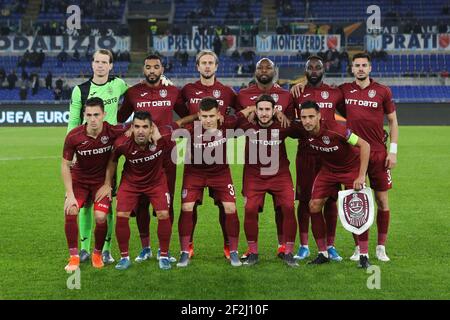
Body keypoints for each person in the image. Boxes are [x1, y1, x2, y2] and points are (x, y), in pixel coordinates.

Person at [99, 111, 194, 270]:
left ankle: (163, 255)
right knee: (122, 215)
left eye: (144, 127)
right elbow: (112, 161)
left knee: (164, 213)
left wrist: (198, 114)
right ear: (132, 128)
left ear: (152, 128)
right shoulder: (122, 143)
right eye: (136, 127)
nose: (140, 130)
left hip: (156, 182)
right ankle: (124, 257)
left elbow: (182, 122)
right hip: (131, 183)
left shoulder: (164, 134)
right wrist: (108, 183)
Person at [117, 54, 185, 263]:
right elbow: (120, 119)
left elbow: (185, 114)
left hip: (166, 155)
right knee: (141, 203)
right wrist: (129, 130)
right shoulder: (132, 92)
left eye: (156, 67)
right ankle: (146, 247)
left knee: (167, 203)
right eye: (148, 67)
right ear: (144, 69)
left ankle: (165, 250)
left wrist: (169, 131)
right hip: (141, 157)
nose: (152, 70)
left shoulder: (173, 91)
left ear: (162, 69)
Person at [67, 49, 128, 265]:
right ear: (91, 64)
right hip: (84, 152)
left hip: (109, 153)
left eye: (104, 62)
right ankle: (84, 248)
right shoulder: (80, 90)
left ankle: (106, 250)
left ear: (111, 65)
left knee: (106, 200)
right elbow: (73, 121)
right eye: (97, 61)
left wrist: (164, 81)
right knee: (84, 204)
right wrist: (72, 151)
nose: (100, 65)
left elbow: (137, 95)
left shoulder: (119, 84)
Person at [339, 52, 398, 262]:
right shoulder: (344, 90)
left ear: (370, 68)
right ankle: (358, 248)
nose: (361, 68)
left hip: (379, 154)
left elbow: (392, 121)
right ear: (352, 69)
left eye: (364, 65)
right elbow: (324, 104)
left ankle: (381, 247)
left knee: (382, 200)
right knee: (355, 202)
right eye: (357, 65)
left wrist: (393, 150)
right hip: (352, 155)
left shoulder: (382, 91)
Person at [298, 101, 372, 268]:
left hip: (350, 169)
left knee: (357, 210)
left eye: (311, 117)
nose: (307, 121)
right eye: (304, 117)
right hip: (328, 171)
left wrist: (361, 176)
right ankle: (322, 253)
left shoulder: (337, 129)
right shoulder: (303, 130)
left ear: (319, 116)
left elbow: (365, 145)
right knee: (314, 205)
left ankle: (364, 255)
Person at [180, 50, 238, 260]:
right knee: (189, 205)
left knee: (227, 206)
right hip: (193, 161)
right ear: (197, 66)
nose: (206, 66)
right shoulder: (187, 90)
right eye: (203, 63)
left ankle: (229, 245)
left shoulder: (227, 92)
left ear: (216, 66)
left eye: (210, 63)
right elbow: (181, 116)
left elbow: (239, 114)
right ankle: (187, 247)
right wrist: (192, 120)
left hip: (219, 162)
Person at [61, 97, 129, 271]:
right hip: (79, 182)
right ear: (84, 114)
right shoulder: (74, 136)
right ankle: (74, 256)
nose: (92, 119)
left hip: (101, 183)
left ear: (104, 115)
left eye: (96, 114)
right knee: (71, 210)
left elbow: (138, 125)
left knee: (100, 217)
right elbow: (65, 165)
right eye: (89, 114)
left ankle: (97, 254)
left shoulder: (113, 131)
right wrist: (69, 194)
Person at [237, 57, 294, 260]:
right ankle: (252, 251)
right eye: (260, 66)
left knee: (287, 207)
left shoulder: (286, 97)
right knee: (250, 208)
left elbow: (300, 124)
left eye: (268, 66)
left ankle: (286, 250)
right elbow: (231, 121)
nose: (263, 69)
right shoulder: (243, 95)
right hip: (253, 170)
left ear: (274, 70)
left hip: (279, 169)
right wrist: (248, 111)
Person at [176, 97, 243, 268]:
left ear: (218, 115)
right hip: (194, 173)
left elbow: (245, 112)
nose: (207, 120)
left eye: (211, 116)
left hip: (220, 173)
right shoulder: (191, 129)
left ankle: (232, 249)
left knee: (230, 208)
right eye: (204, 116)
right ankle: (185, 250)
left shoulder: (227, 124)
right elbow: (172, 127)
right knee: (187, 207)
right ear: (198, 115)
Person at [290, 55, 345, 262]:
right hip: (305, 154)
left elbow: (351, 117)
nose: (314, 70)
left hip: (330, 156)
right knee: (304, 201)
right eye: (310, 68)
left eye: (317, 67)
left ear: (324, 70)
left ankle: (330, 245)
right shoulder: (296, 92)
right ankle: (304, 246)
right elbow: (288, 120)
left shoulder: (334, 93)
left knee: (331, 201)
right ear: (305, 71)